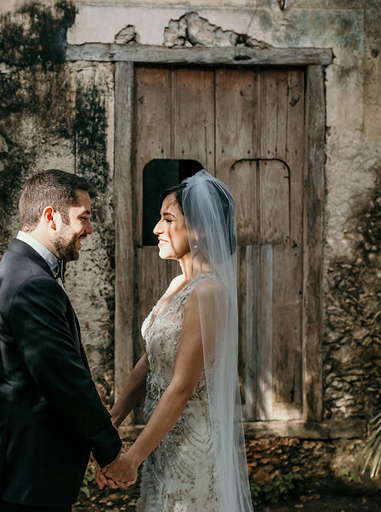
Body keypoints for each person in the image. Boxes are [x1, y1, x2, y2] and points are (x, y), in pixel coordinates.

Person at [100, 170, 254, 512]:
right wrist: (112, 421)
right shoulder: (176, 288)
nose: (156, 229)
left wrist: (132, 458)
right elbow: (150, 361)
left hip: (191, 446)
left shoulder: (210, 293)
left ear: (199, 228)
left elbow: (182, 385)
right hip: (163, 439)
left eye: (167, 219)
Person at [0, 169, 124, 512]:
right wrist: (110, 450)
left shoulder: (22, 269)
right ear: (51, 217)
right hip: (28, 476)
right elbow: (63, 377)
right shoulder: (30, 282)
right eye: (83, 218)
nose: (90, 229)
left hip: (25, 473)